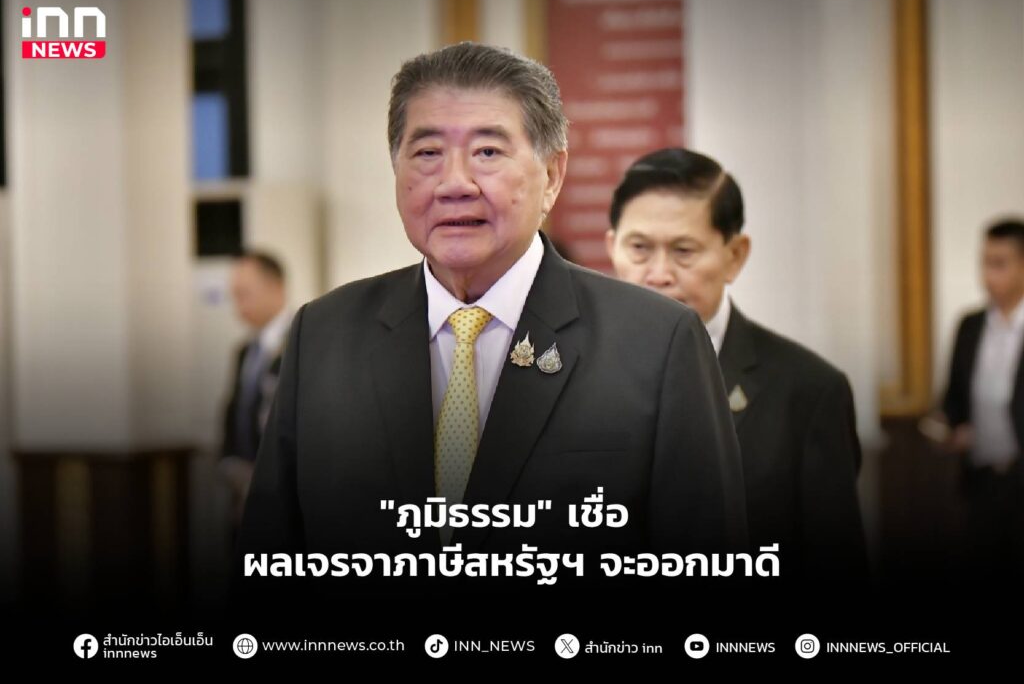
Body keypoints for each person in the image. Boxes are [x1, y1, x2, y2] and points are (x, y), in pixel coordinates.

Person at [234, 43, 747, 602]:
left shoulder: (657, 343)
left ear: (552, 174)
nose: (454, 182)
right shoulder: (324, 335)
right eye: (427, 152)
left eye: (487, 151)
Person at [606, 147, 869, 582]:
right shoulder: (568, 371)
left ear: (735, 256)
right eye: (639, 249)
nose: (658, 273)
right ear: (611, 247)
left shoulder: (808, 391)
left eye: (684, 251)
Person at [940, 217, 1024, 580]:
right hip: (981, 480)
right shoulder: (970, 326)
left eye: (999, 263)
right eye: (985, 262)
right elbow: (953, 397)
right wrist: (952, 426)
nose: (988, 275)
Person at [220, 250, 292, 531]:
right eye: (234, 296)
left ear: (276, 288)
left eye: (244, 294)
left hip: (283, 489)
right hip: (243, 486)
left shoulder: (302, 342)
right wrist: (230, 463)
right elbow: (234, 410)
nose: (238, 305)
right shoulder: (245, 351)